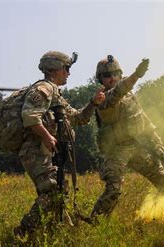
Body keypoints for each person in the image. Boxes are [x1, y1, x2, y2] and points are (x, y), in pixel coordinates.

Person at [14, 51, 105, 236]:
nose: (69, 73)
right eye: (67, 68)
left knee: (58, 192)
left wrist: (93, 103)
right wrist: (48, 137)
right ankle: (23, 232)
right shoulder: (44, 88)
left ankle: (60, 231)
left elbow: (78, 118)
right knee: (53, 190)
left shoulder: (56, 94)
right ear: (55, 69)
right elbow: (29, 117)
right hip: (34, 150)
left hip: (46, 152)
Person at [90, 55, 164, 220]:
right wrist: (137, 75)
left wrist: (157, 142)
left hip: (137, 146)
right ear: (101, 79)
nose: (112, 78)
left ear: (120, 74)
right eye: (107, 75)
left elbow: (144, 120)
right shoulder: (103, 100)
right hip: (116, 151)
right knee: (113, 190)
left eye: (115, 73)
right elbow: (118, 91)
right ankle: (95, 222)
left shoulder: (129, 95)